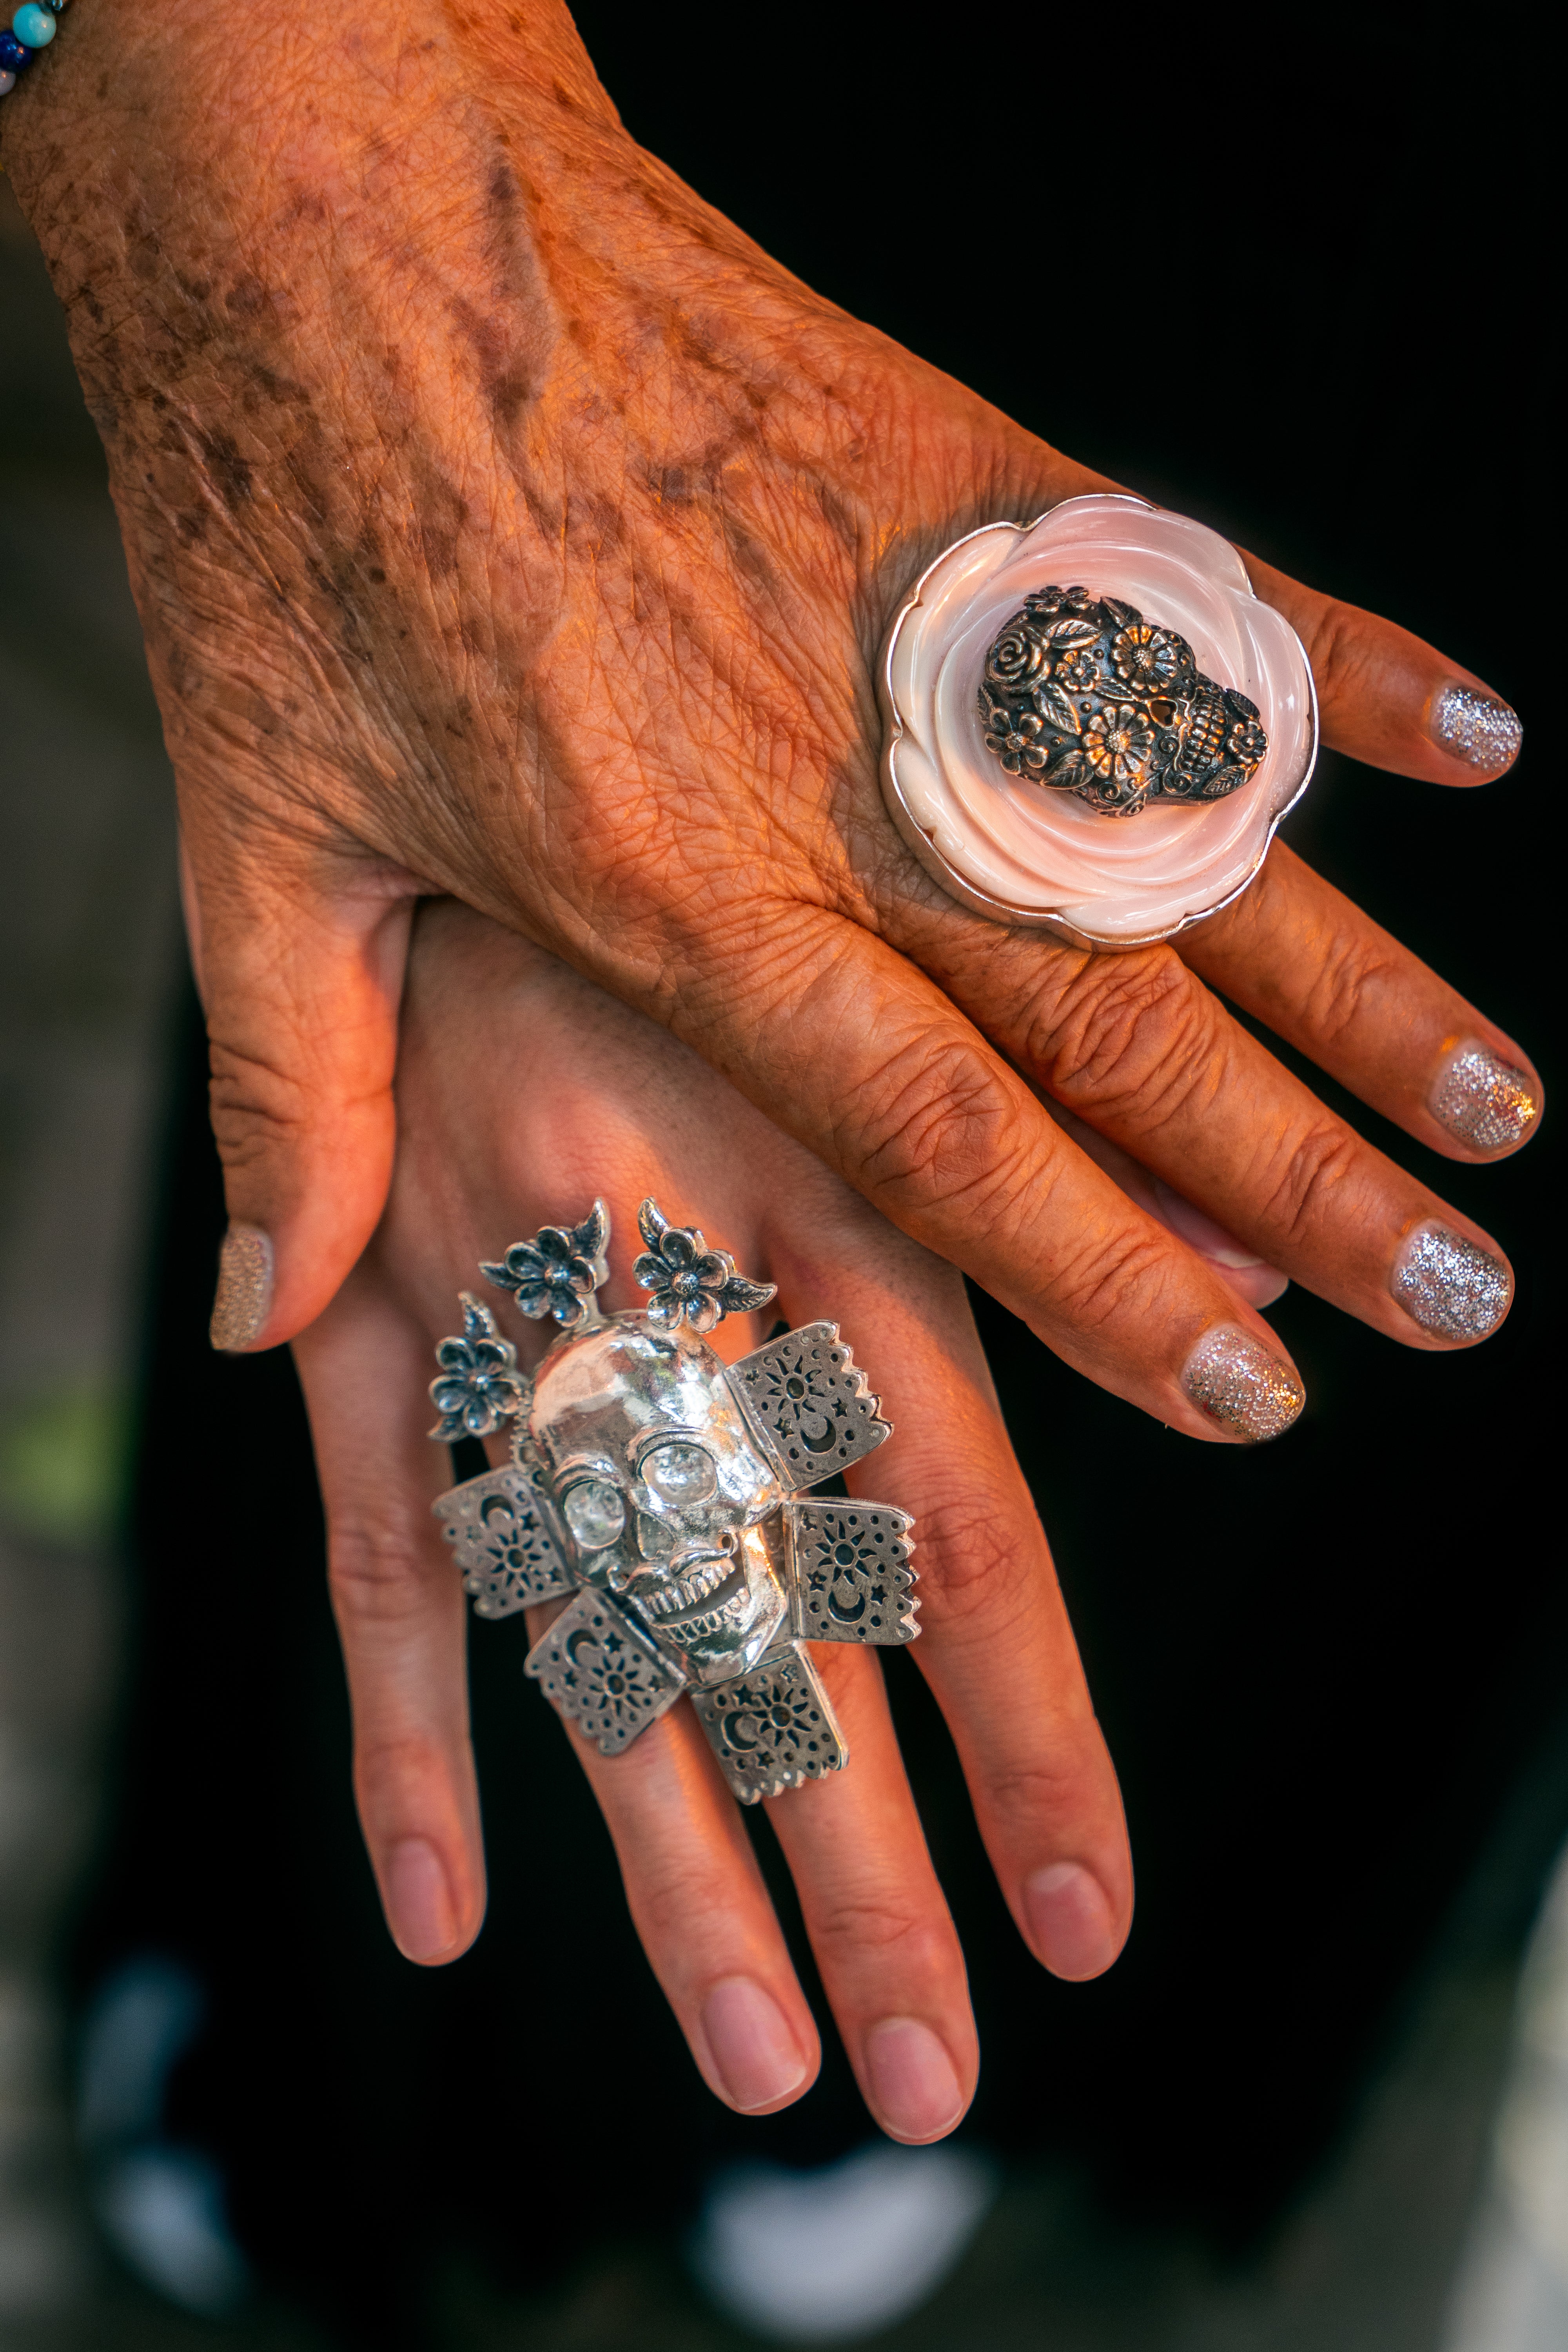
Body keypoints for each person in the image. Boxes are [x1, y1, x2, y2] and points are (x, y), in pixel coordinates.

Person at [4, 0, 1540, 2166]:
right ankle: (361, 2053)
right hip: (787, 120)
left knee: (1156, 1376)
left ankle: (1065, 2056)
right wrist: (369, 344)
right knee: (543, 1302)